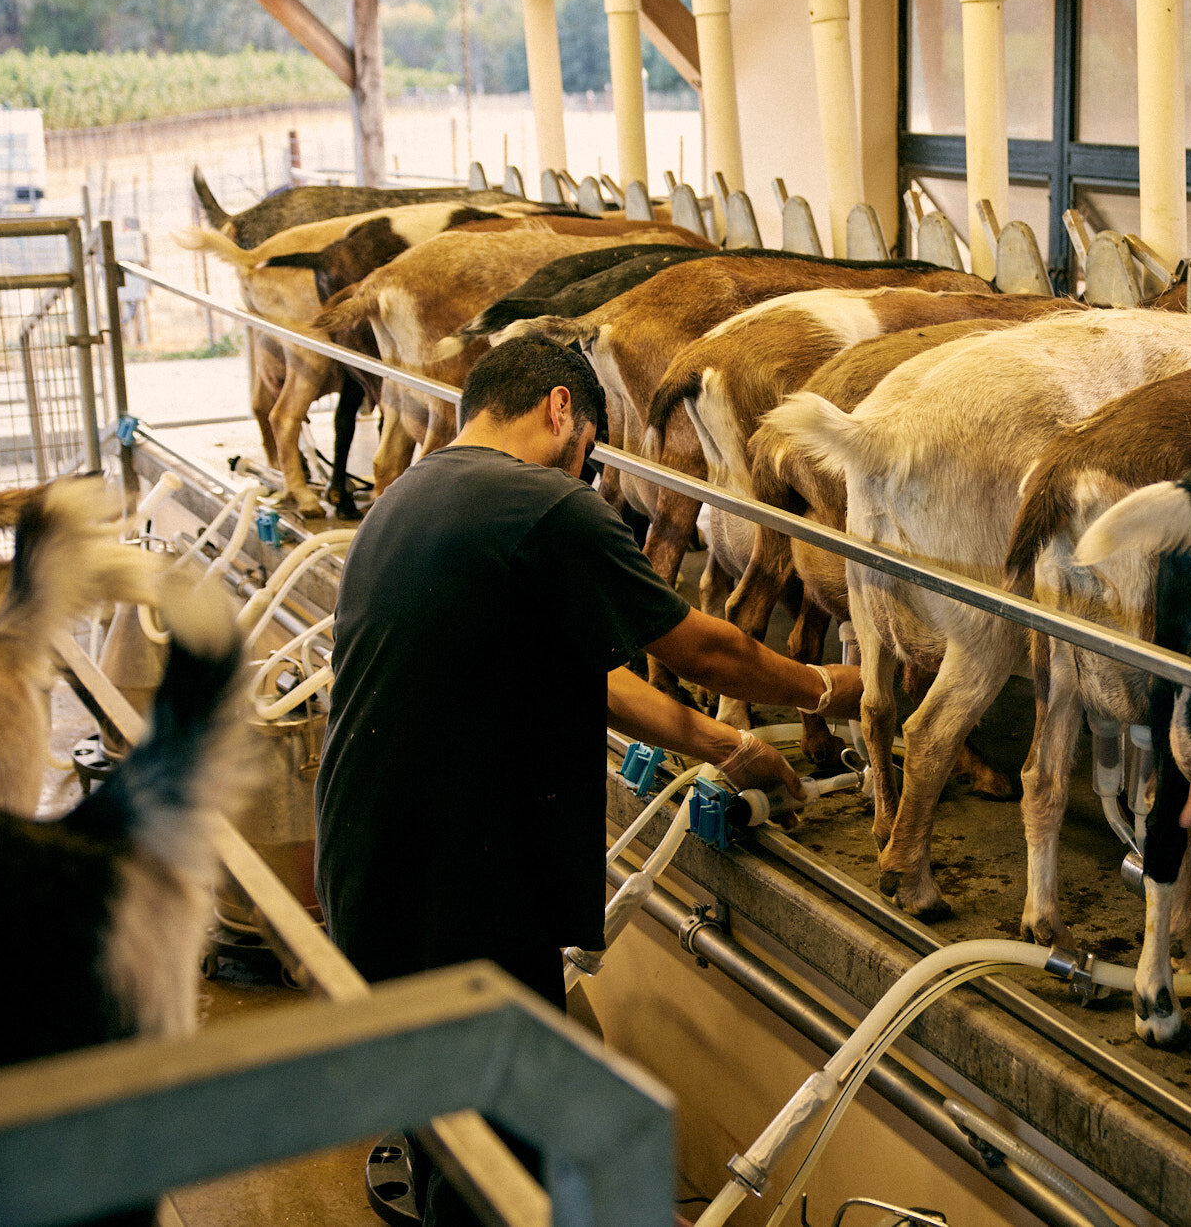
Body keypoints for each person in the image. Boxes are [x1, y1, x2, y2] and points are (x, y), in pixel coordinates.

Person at [314, 336, 861, 1223]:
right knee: (498, 1170)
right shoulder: (544, 505)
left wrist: (720, 744)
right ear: (562, 410)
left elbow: (590, 675)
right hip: (461, 899)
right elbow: (701, 645)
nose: (591, 470)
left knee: (450, 1133)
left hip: (372, 878)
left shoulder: (414, 493)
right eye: (594, 447)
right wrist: (831, 687)